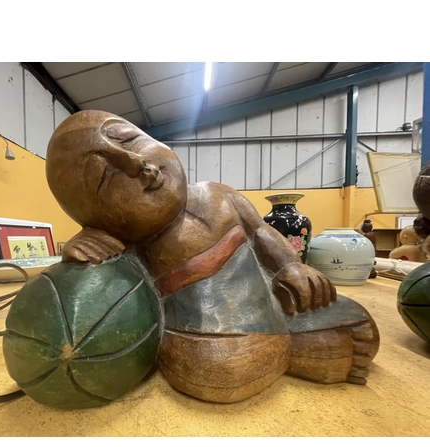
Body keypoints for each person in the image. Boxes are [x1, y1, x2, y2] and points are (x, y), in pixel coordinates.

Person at [45, 110, 379, 403]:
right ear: (99, 220)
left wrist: (291, 266)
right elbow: (100, 294)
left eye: (130, 140)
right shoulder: (130, 241)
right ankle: (294, 351)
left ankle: (282, 345)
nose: (137, 165)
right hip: (208, 332)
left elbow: (261, 232)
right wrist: (81, 249)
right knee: (218, 367)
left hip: (273, 302)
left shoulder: (219, 194)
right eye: (105, 176)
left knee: (362, 322)